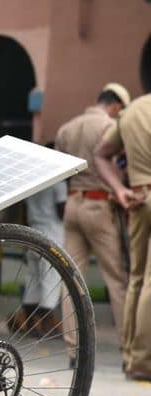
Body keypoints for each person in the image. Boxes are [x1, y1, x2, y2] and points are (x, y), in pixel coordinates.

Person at [55, 83, 131, 367]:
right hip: (100, 205)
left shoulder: (67, 129)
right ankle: (128, 351)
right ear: (115, 106)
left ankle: (74, 352)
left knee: (71, 278)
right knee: (117, 280)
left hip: (73, 204)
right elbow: (121, 167)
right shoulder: (110, 127)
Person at [93, 93, 151, 381]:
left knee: (137, 279)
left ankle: (130, 356)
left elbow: (101, 154)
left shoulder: (132, 111)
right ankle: (143, 361)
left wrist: (119, 189)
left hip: (139, 197)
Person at [8, 150, 68, 336]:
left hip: (34, 232)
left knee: (34, 278)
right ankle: (46, 322)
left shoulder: (33, 183)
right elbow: (61, 211)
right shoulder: (59, 182)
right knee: (51, 279)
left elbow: (25, 211)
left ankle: (28, 320)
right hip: (52, 234)